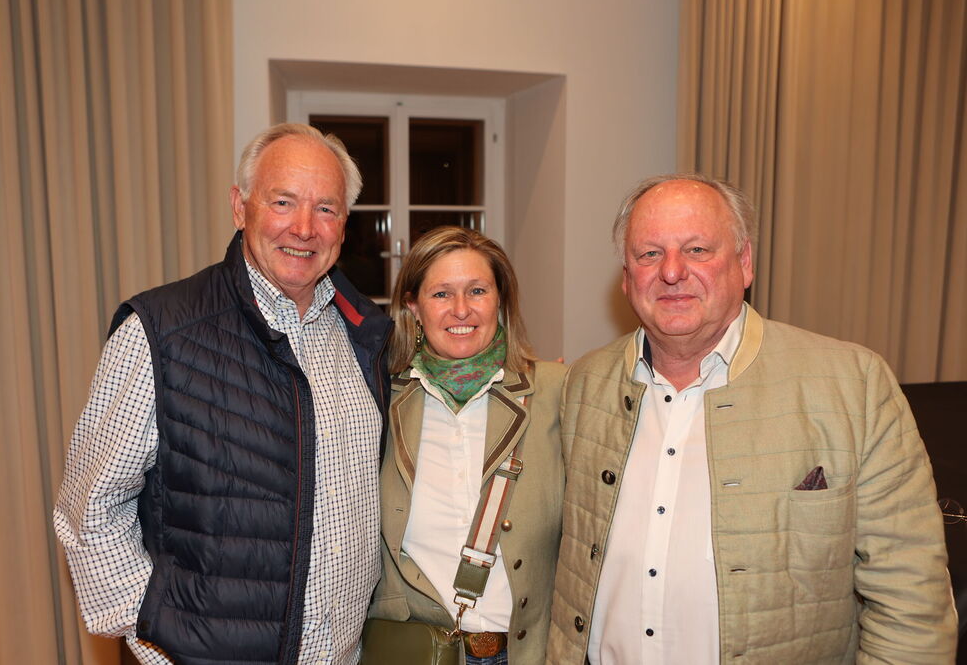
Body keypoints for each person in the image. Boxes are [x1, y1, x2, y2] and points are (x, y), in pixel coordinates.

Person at [546, 174, 958, 664]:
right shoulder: (583, 386)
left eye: (697, 249)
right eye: (649, 254)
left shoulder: (854, 385)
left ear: (744, 262)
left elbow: (911, 598)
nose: (672, 272)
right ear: (626, 275)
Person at [54, 123, 393, 664]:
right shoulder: (161, 331)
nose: (304, 228)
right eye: (283, 202)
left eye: (326, 208)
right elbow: (89, 511)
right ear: (240, 207)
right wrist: (160, 642)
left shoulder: (365, 335)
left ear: (344, 226)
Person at [367, 226, 565, 664]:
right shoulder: (379, 402)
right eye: (441, 294)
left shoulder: (556, 393)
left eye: (477, 290)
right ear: (414, 306)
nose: (461, 309)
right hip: (422, 652)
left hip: (530, 653)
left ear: (500, 300)